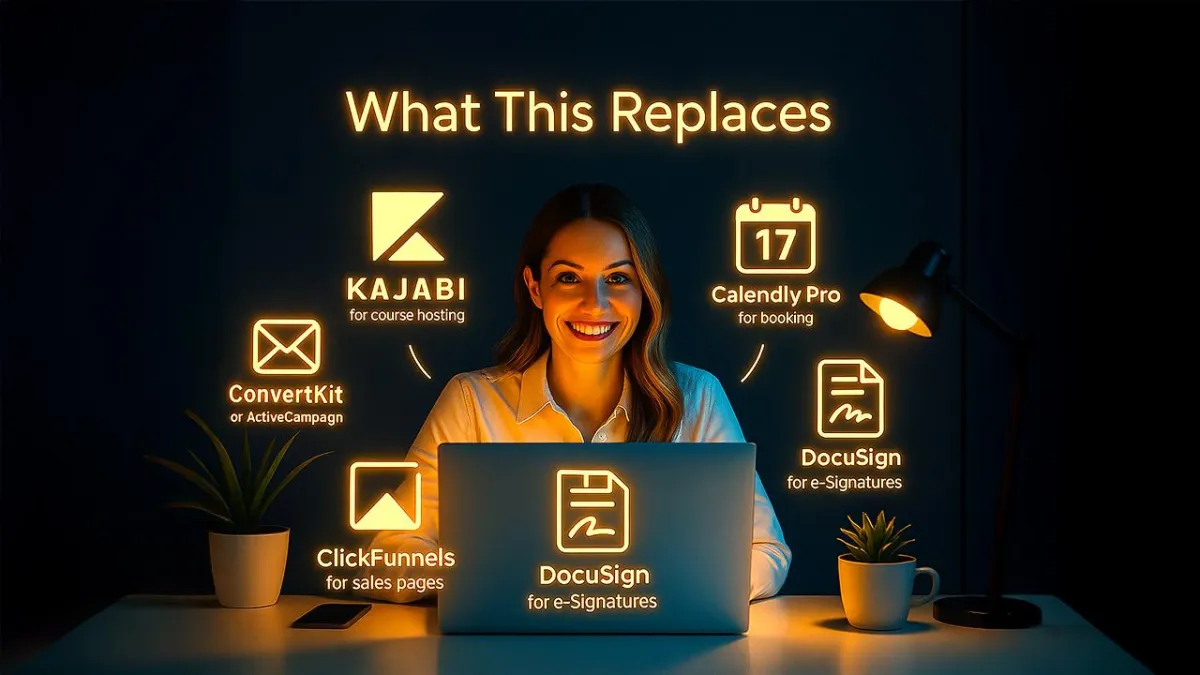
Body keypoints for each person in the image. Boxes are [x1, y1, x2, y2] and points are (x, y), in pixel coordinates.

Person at [357, 183, 792, 604]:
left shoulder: (697, 398)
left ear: (646, 291)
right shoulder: (473, 401)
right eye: (568, 277)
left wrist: (647, 590)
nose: (595, 304)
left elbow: (766, 552)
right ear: (535, 289)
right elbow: (388, 554)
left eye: (618, 279)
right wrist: (496, 582)